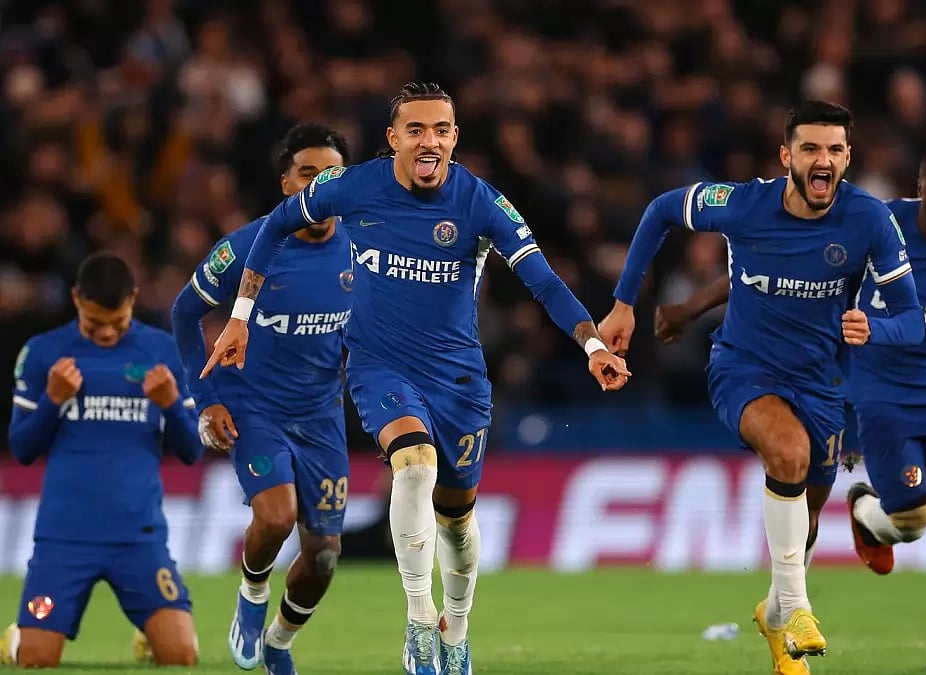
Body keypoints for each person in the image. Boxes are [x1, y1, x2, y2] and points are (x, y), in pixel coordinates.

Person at [199, 82, 630, 675]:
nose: (431, 142)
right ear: (393, 138)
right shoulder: (350, 187)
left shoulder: (480, 201)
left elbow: (544, 282)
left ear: (454, 138)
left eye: (443, 131)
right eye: (417, 130)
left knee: (456, 520)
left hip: (458, 380)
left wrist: (593, 344)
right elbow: (274, 228)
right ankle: (420, 618)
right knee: (414, 464)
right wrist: (241, 318)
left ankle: (457, 626)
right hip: (380, 367)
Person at [655, 140, 926, 671]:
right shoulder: (876, 221)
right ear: (919, 192)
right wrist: (691, 307)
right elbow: (763, 269)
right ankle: (865, 521)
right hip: (881, 386)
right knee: (911, 521)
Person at [599, 100, 924, 675]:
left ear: (847, 157)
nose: (822, 160)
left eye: (834, 150)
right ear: (786, 156)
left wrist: (878, 327)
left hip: (822, 384)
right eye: (810, 149)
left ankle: (774, 616)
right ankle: (798, 610)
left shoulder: (869, 219)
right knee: (788, 453)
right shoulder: (743, 203)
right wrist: (625, 303)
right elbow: (659, 211)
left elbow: (912, 318)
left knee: (807, 523)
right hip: (743, 366)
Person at [171, 123, 353, 674]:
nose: (320, 185)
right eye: (308, 174)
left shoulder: (368, 247)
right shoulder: (249, 246)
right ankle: (252, 595)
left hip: (321, 413)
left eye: (332, 175)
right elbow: (184, 313)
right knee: (276, 519)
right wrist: (206, 400)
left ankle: (279, 641)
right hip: (252, 404)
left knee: (323, 555)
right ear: (285, 184)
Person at [2, 253, 205, 669]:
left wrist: (171, 407)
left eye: (118, 321)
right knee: (36, 660)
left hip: (138, 535)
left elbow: (191, 452)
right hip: (65, 538)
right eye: (96, 325)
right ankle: (17, 637)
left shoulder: (164, 350)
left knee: (181, 656)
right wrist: (52, 401)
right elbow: (21, 448)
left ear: (133, 298)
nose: (108, 333)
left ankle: (148, 635)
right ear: (76, 299)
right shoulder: (43, 353)